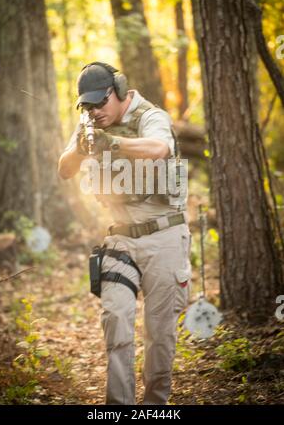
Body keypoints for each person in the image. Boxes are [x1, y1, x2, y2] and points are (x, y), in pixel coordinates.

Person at [58, 62, 192, 405]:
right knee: (116, 318)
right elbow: (64, 169)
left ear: (118, 91)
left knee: (159, 335)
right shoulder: (90, 122)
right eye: (87, 106)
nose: (95, 112)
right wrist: (81, 148)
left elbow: (160, 148)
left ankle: (154, 405)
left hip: (164, 236)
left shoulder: (150, 116)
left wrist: (110, 143)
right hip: (120, 238)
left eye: (99, 103)